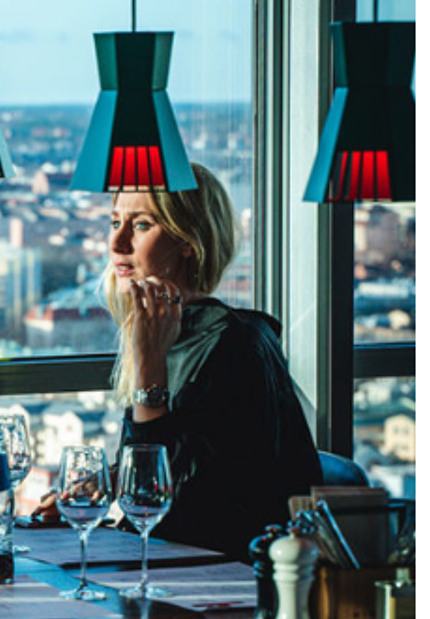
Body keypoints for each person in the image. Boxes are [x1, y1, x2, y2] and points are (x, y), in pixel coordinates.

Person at [104, 165, 320, 556]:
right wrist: (104, 482)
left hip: (223, 580)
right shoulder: (171, 333)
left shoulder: (234, 345)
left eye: (140, 226)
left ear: (188, 240)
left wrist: (149, 366)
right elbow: (181, 460)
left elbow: (177, 507)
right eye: (115, 221)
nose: (117, 243)